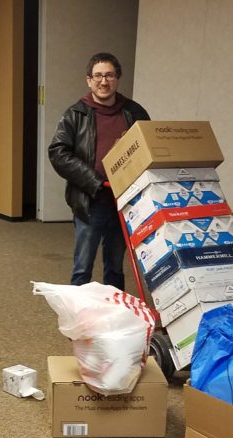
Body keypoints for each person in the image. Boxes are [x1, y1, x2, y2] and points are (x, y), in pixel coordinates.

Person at [48, 52, 150, 291]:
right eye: (98, 76)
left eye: (109, 75)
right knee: (82, 267)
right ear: (88, 80)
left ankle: (113, 314)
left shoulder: (134, 113)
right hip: (90, 199)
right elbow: (58, 153)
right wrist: (94, 181)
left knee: (115, 265)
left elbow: (147, 150)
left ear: (118, 79)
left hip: (123, 200)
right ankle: (80, 318)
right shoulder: (75, 114)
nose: (104, 82)